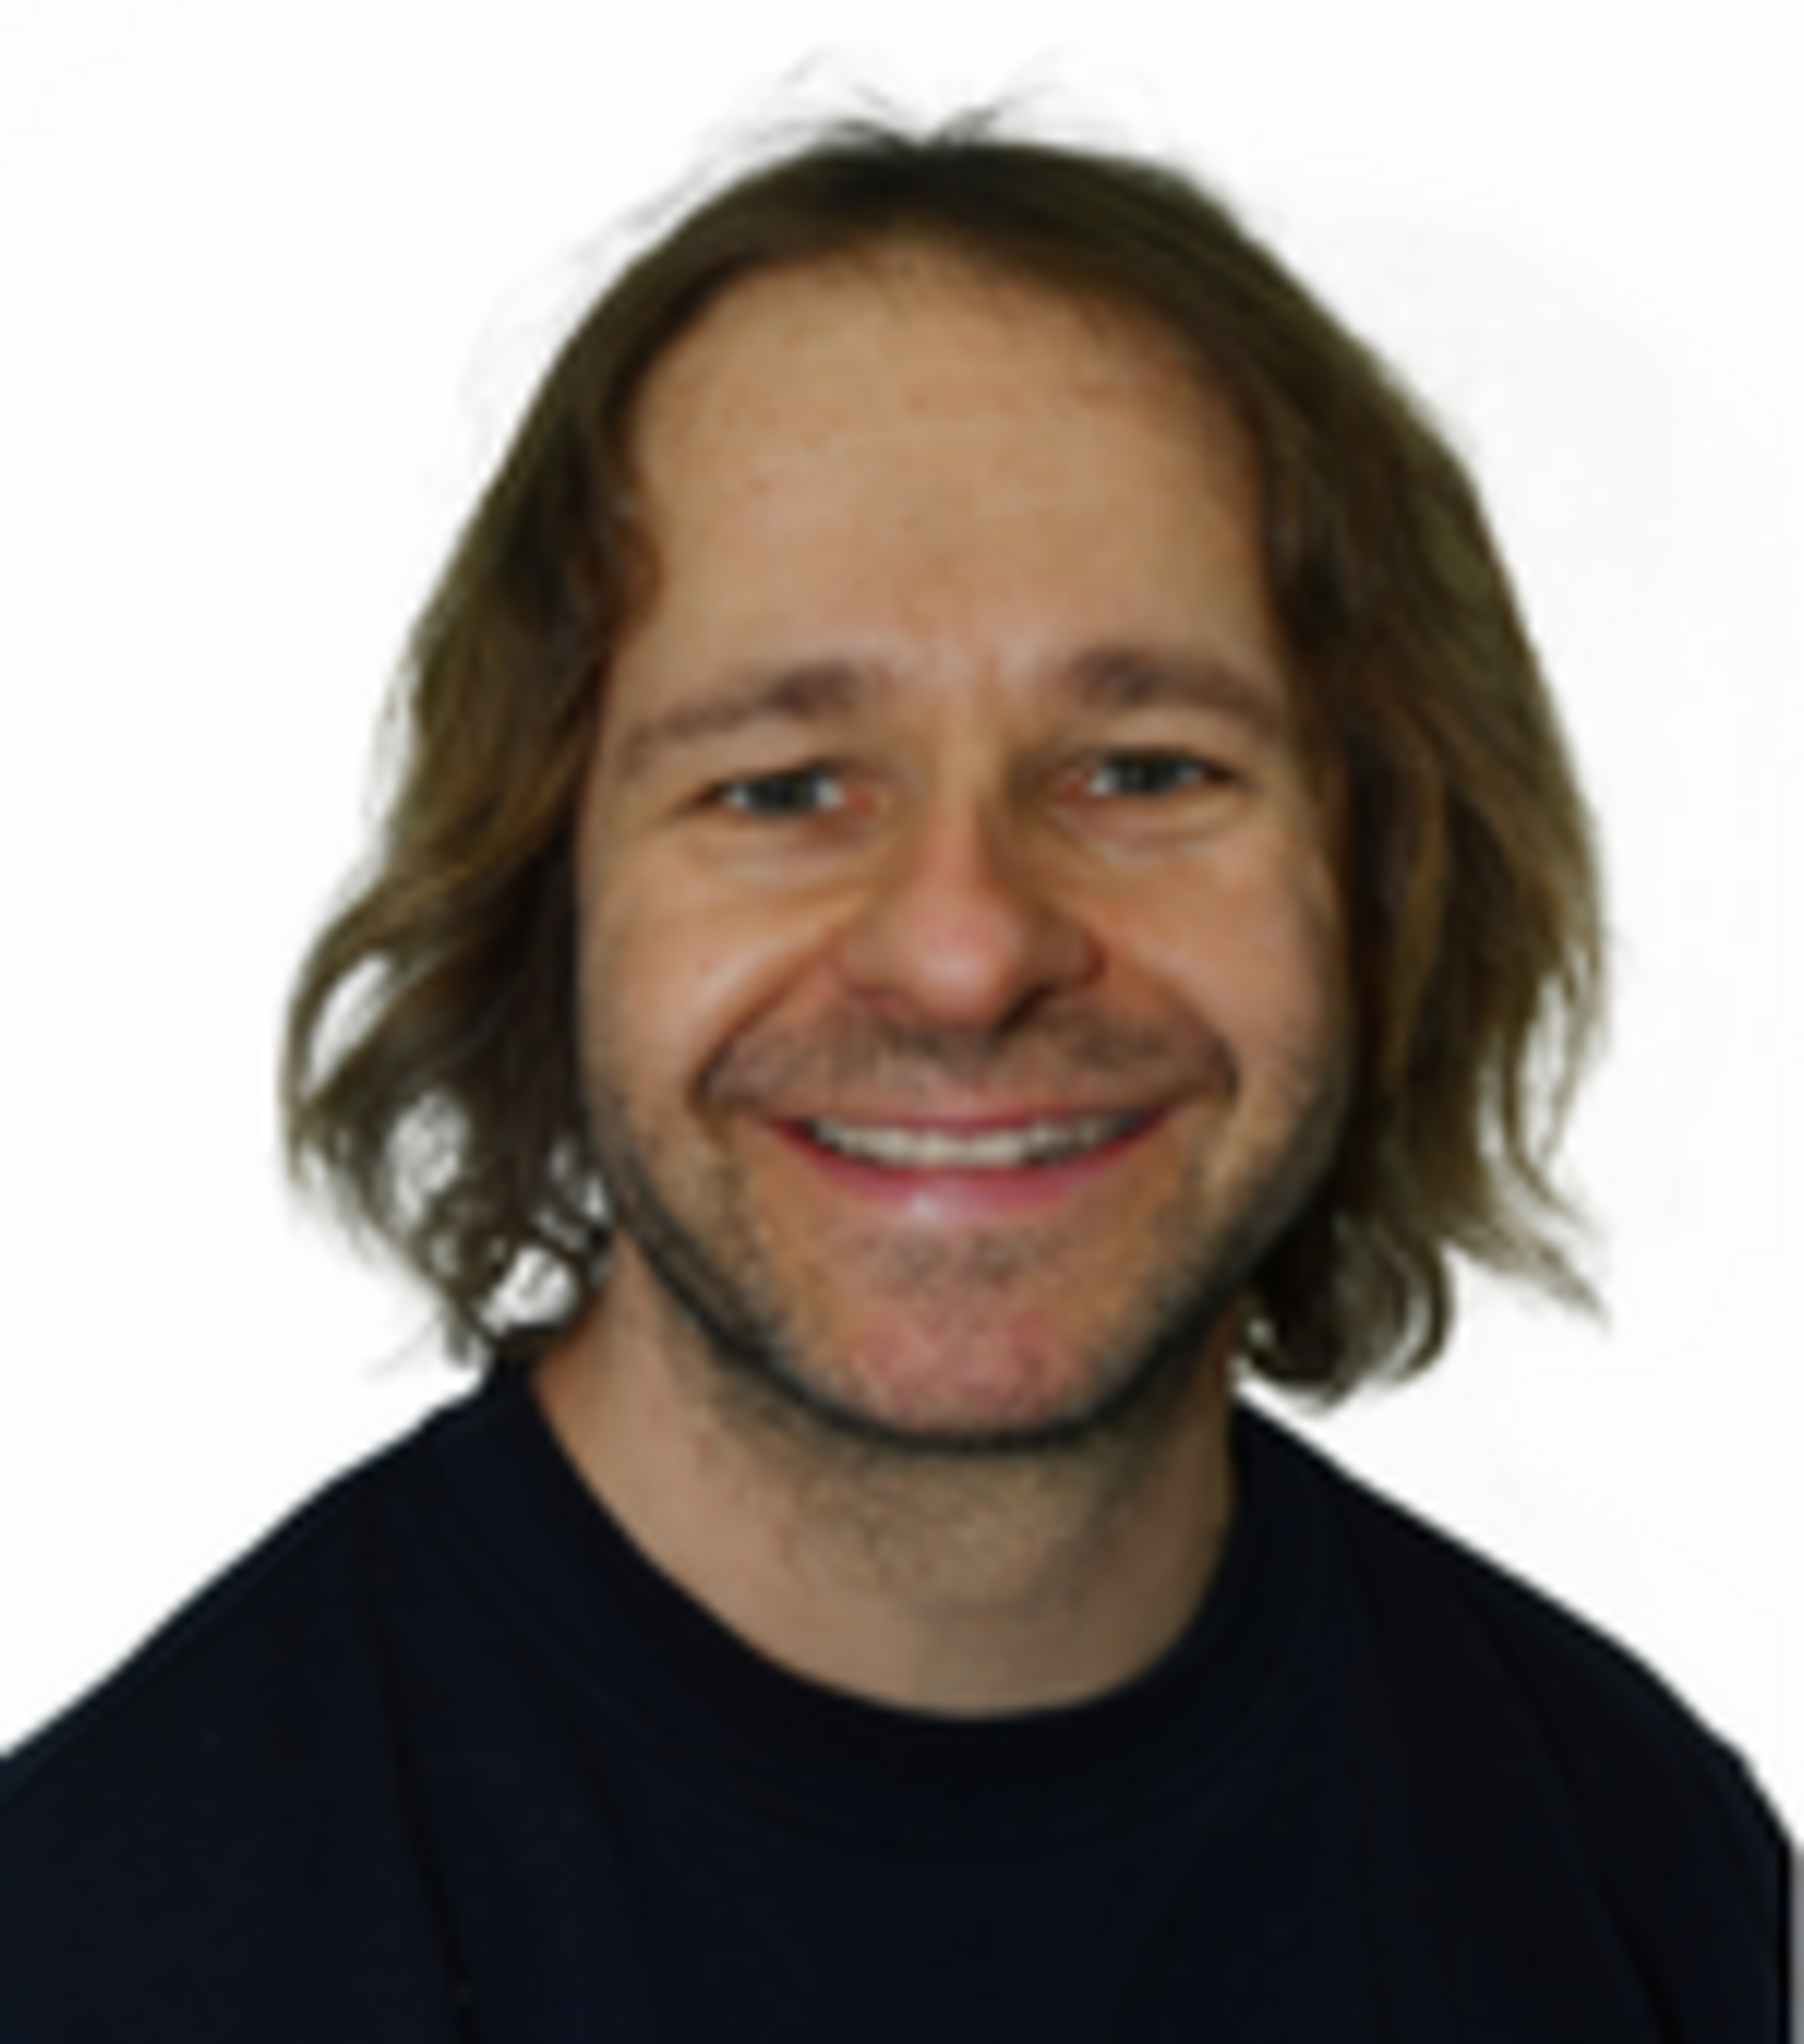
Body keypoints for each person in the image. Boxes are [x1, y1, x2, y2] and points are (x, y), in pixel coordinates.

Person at [0, 112, 1790, 2040]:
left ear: (1387, 875)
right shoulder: (91, 1947)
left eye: (1145, 770)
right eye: (780, 788)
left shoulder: (1654, 1889)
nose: (964, 951)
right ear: (547, 901)